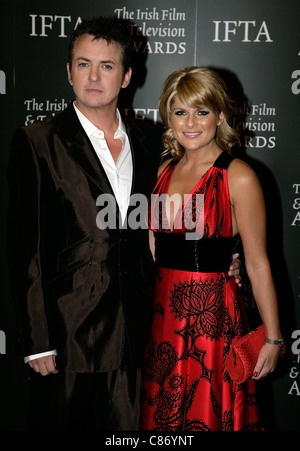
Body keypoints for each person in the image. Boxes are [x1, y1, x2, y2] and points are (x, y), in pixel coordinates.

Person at [6, 17, 241, 431]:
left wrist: (227, 258)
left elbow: (177, 219)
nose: (93, 76)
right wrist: (36, 341)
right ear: (68, 71)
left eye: (107, 66)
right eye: (83, 64)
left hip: (141, 334)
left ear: (127, 75)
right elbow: (25, 250)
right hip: (67, 339)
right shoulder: (37, 141)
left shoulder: (153, 141)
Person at [140, 67, 283, 431]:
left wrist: (273, 338)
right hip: (163, 324)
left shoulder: (238, 176)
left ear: (220, 115)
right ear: (167, 115)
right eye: (180, 111)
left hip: (214, 324)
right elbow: (156, 247)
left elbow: (258, 264)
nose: (190, 122)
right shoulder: (163, 171)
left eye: (202, 111)